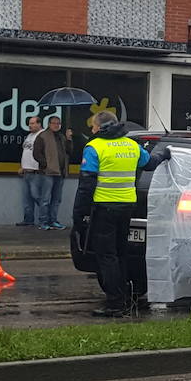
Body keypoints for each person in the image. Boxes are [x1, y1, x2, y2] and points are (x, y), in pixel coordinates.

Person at [73, 111, 169, 317]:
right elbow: (150, 163)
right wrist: (165, 154)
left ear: (100, 127)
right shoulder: (131, 145)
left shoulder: (94, 147)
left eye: (93, 127)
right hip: (127, 207)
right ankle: (125, 298)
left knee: (106, 257)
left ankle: (115, 304)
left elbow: (86, 185)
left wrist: (79, 214)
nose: (91, 130)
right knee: (120, 254)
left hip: (104, 208)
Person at [33, 116, 73, 230]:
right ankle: (43, 221)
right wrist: (45, 164)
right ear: (49, 124)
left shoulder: (61, 137)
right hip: (47, 173)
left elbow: (69, 151)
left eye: (58, 123)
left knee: (56, 199)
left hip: (60, 173)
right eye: (54, 123)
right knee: (45, 199)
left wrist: (69, 139)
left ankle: (53, 220)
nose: (56, 125)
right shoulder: (42, 136)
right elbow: (36, 153)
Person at [16, 116, 44, 227]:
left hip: (36, 172)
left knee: (37, 196)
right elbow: (26, 153)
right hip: (26, 171)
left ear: (39, 124)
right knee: (27, 198)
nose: (30, 125)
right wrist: (22, 166)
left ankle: (44, 219)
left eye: (32, 123)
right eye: (29, 123)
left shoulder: (42, 136)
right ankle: (28, 219)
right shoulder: (29, 136)